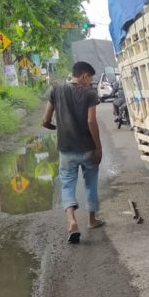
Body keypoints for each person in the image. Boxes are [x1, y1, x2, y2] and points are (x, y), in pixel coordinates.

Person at [42, 61, 105, 244]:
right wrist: (98, 147)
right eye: (90, 78)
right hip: (87, 149)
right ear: (84, 75)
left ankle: (71, 221)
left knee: (68, 185)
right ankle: (92, 221)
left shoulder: (56, 91)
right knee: (91, 183)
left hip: (66, 149)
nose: (90, 81)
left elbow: (45, 119)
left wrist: (50, 125)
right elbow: (91, 122)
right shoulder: (89, 94)